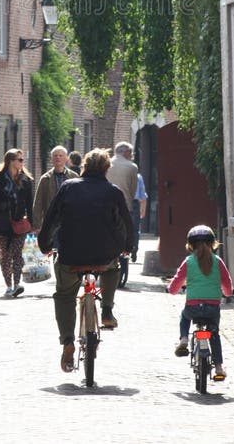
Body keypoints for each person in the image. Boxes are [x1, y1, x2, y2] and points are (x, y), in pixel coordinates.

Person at [38, 148, 134, 372]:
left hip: (71, 255)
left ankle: (68, 341)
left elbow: (50, 218)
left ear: (83, 167)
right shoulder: (114, 192)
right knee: (112, 268)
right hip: (104, 254)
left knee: (64, 296)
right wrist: (128, 247)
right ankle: (107, 311)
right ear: (106, 168)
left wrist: (45, 244)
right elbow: (127, 222)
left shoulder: (67, 188)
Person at [167, 224, 233, 380]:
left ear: (191, 245)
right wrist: (228, 293)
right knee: (214, 334)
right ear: (212, 243)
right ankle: (218, 368)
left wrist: (171, 290)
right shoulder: (218, 261)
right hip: (212, 308)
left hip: (193, 307)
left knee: (184, 317)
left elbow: (177, 281)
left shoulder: (188, 261)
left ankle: (183, 339)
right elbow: (227, 282)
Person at [0, 148, 34, 298]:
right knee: (5, 256)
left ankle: (17, 284)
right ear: (10, 161)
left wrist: (32, 223)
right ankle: (8, 285)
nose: (22, 162)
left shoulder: (26, 180)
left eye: (22, 160)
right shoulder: (0, 180)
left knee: (17, 254)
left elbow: (29, 203)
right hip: (2, 223)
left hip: (19, 222)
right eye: (19, 160)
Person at [32, 145, 78, 230]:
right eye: (55, 155)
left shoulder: (74, 177)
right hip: (51, 221)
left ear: (66, 158)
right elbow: (38, 202)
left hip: (69, 220)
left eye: (61, 155)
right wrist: (37, 225)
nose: (58, 158)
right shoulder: (45, 178)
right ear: (51, 159)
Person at [107, 141, 138, 210]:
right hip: (124, 204)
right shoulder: (132, 167)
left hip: (107, 203)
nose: (132, 155)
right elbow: (133, 189)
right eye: (131, 152)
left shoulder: (106, 164)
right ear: (126, 152)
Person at [130, 172, 148, 262]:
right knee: (135, 229)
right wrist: (143, 210)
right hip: (135, 204)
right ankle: (134, 248)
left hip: (124, 201)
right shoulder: (138, 177)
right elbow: (143, 196)